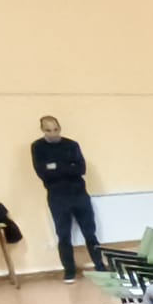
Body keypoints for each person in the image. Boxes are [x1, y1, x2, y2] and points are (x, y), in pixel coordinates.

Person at [31, 114, 105, 281]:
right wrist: (66, 166)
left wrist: (55, 167)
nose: (53, 133)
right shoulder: (37, 147)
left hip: (79, 194)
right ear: (43, 130)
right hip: (57, 197)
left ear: (60, 128)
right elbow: (42, 172)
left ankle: (100, 265)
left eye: (56, 129)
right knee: (63, 235)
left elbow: (81, 168)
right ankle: (69, 270)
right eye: (49, 130)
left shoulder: (71, 144)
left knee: (90, 233)